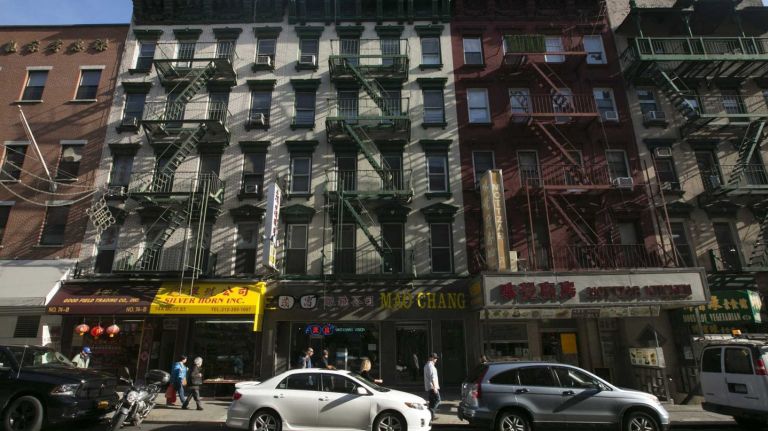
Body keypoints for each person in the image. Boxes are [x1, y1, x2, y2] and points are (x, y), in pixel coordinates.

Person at [423, 352, 440, 421]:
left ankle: (431, 416)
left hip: (430, 387)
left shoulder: (427, 365)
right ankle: (430, 412)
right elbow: (432, 377)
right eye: (435, 358)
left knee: (432, 402)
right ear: (432, 358)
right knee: (438, 400)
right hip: (432, 387)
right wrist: (435, 387)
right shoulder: (430, 366)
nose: (436, 359)